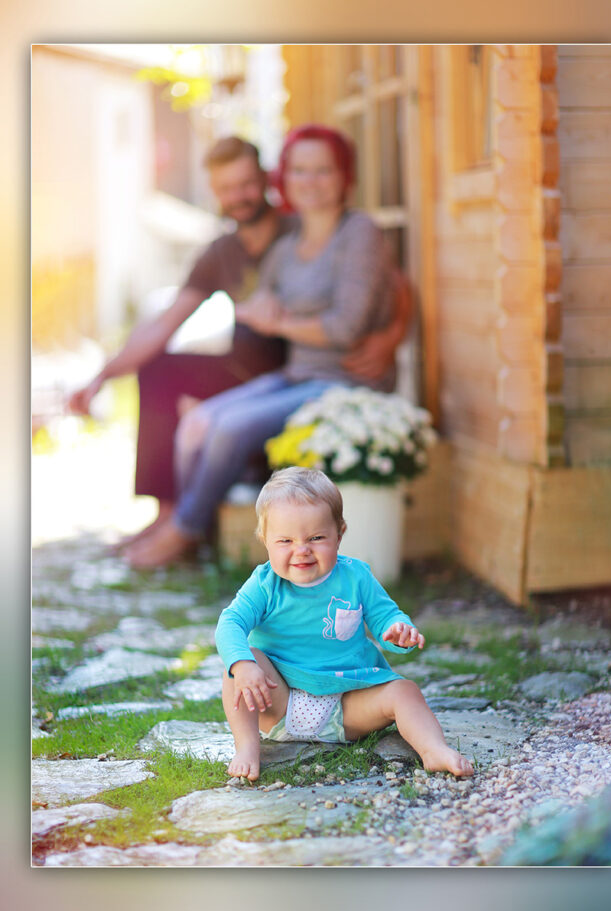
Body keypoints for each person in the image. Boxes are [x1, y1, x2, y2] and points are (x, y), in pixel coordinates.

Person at [67, 135, 410, 550]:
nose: (239, 196)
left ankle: (187, 527)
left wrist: (390, 339)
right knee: (161, 371)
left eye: (246, 184)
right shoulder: (227, 253)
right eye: (226, 189)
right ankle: (170, 513)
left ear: (267, 179)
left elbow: (389, 286)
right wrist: (102, 374)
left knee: (227, 423)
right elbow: (164, 323)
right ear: (215, 193)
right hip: (271, 369)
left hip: (320, 366)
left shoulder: (305, 219)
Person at [215, 467, 475, 782]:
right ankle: (246, 748)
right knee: (242, 664)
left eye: (316, 537)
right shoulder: (265, 584)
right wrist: (242, 665)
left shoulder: (356, 577)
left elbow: (385, 617)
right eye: (285, 540)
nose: (302, 550)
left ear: (340, 533)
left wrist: (398, 630)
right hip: (279, 702)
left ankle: (433, 749)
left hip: (350, 705)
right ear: (265, 540)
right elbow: (230, 622)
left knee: (404, 692)